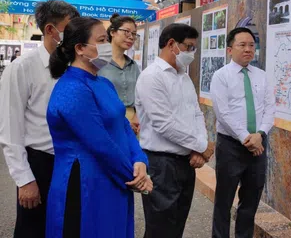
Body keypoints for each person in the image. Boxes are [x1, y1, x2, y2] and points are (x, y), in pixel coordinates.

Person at [46, 16, 152, 238]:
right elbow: (100, 143)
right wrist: (135, 178)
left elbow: (123, 124)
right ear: (80, 48)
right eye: (102, 40)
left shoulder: (102, 83)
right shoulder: (72, 89)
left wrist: (140, 159)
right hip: (86, 184)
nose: (107, 46)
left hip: (113, 178)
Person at [0, 0, 79, 238]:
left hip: (72, 163)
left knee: (68, 228)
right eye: (69, 29)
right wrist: (24, 180)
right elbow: (10, 128)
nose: (74, 35)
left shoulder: (73, 66)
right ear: (50, 30)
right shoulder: (22, 68)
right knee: (33, 229)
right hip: (40, 164)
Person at [136, 23, 214, 238]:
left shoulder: (183, 76)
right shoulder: (152, 77)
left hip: (184, 163)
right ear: (171, 44)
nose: (191, 53)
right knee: (160, 228)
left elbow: (196, 114)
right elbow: (164, 123)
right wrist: (201, 146)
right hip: (161, 165)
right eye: (188, 47)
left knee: (176, 226)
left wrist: (199, 148)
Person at [210, 27, 275, 238]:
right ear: (230, 49)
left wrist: (260, 135)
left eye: (251, 45)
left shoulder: (262, 76)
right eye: (242, 45)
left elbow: (269, 109)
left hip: (258, 145)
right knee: (224, 200)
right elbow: (223, 113)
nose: (248, 49)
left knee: (251, 199)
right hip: (231, 145)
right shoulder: (221, 76)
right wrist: (247, 138)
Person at [99, 13, 141, 134]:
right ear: (112, 32)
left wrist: (137, 116)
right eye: (126, 32)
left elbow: (141, 96)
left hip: (134, 123)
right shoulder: (98, 63)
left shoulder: (133, 66)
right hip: (106, 121)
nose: (131, 37)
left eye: (134, 34)